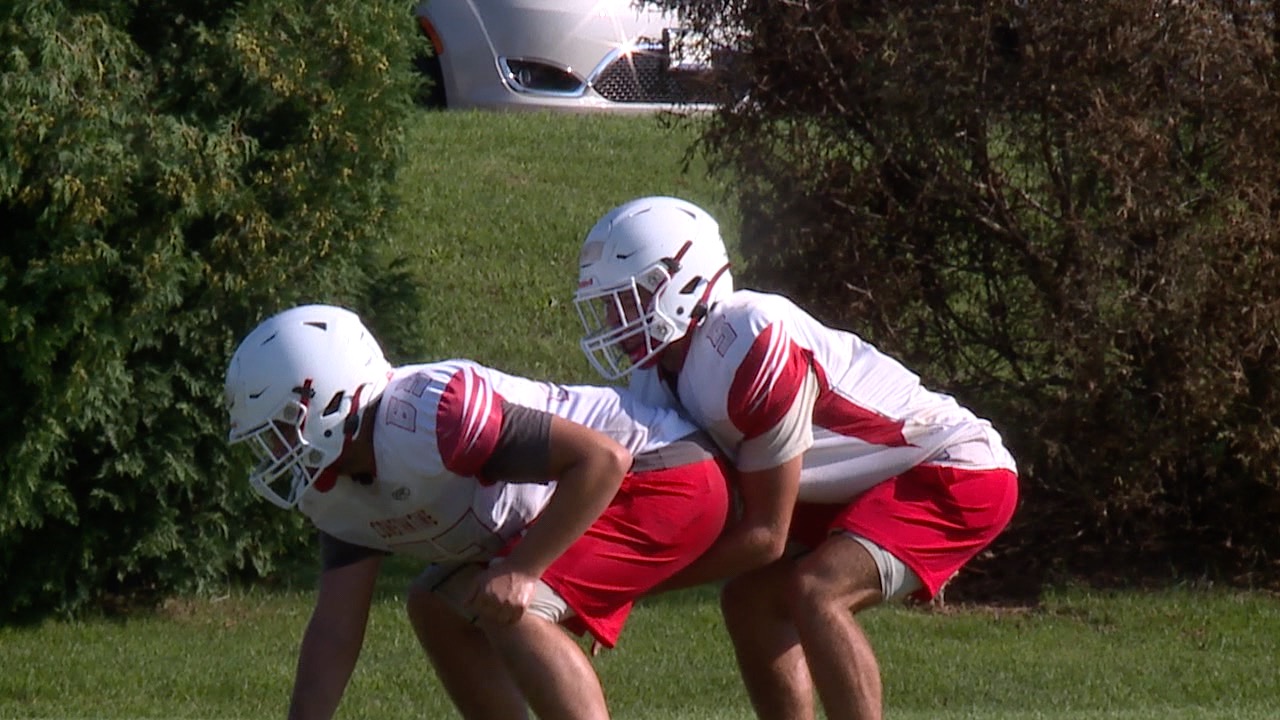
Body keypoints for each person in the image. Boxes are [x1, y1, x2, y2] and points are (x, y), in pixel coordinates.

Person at [571, 196, 1019, 720]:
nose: (613, 319)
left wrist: (626, 587)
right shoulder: (657, 375)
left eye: (628, 300)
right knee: (750, 603)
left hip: (950, 469)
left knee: (816, 592)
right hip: (851, 483)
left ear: (682, 284)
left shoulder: (749, 340)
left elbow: (764, 536)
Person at [223, 303, 730, 720]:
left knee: (513, 607)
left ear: (334, 399)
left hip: (665, 471)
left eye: (283, 428)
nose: (275, 451)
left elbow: (602, 460)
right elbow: (335, 628)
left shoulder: (431, 417)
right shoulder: (334, 486)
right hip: (604, 488)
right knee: (436, 604)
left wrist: (522, 570)